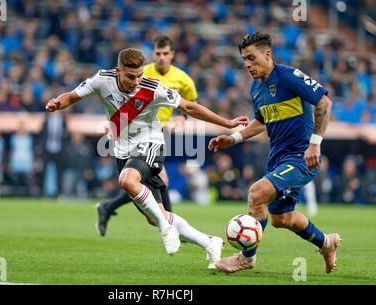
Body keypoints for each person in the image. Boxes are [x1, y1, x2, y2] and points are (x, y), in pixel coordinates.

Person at [46, 48, 249, 268]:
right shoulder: (102, 80)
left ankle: (166, 228)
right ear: (118, 71)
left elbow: (189, 106)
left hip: (151, 144)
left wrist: (227, 123)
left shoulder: (152, 88)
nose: (136, 81)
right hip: (123, 152)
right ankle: (210, 242)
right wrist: (58, 103)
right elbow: (72, 96)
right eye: (130, 76)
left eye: (139, 75)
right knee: (154, 215)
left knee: (127, 181)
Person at [208, 32, 341, 274]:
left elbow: (324, 103)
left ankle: (246, 258)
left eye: (251, 58)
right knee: (283, 219)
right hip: (278, 159)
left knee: (256, 194)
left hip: (301, 157)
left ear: (267, 54)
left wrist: (315, 143)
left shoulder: (289, 76)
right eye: (244, 60)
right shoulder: (257, 89)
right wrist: (234, 138)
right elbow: (261, 121)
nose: (247, 64)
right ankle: (326, 242)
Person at [96, 35, 198, 236]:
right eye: (158, 53)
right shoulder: (141, 72)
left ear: (172, 55)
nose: (161, 57)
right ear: (153, 53)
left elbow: (189, 104)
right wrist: (114, 124)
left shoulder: (183, 78)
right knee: (156, 181)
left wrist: (181, 120)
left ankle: (110, 208)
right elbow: (117, 98)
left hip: (157, 133)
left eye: (165, 54)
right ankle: (169, 223)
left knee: (150, 182)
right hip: (133, 133)